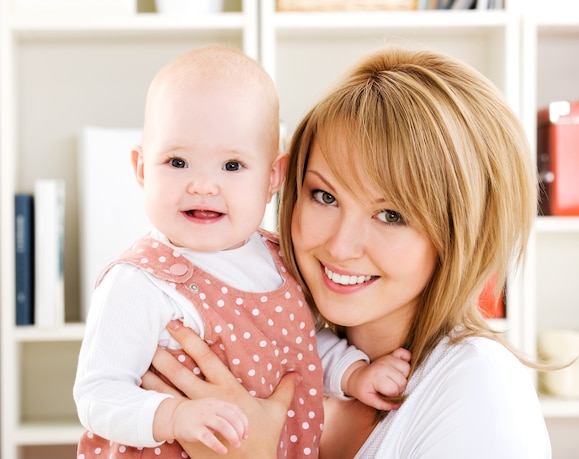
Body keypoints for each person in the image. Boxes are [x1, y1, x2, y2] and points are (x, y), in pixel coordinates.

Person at [143, 46, 553, 458]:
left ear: (464, 233)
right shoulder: (285, 368)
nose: (340, 245)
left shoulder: (477, 383)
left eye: (391, 215)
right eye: (324, 196)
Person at [73, 45, 411, 458]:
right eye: (177, 162)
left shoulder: (278, 259)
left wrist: (353, 374)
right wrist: (174, 415)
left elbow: (298, 343)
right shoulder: (139, 282)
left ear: (273, 177)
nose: (203, 185)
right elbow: (97, 393)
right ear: (142, 170)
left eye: (231, 166)